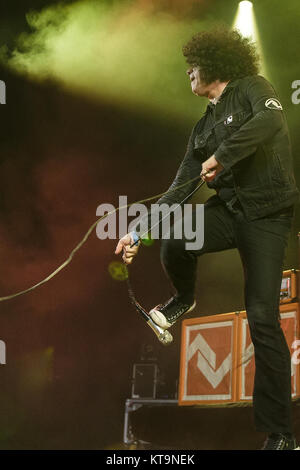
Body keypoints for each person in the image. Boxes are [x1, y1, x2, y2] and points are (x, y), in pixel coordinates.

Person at [115, 28, 299, 450]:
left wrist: (225, 154)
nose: (188, 74)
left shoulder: (253, 88)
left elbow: (271, 120)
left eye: (192, 67)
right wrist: (137, 232)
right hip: (231, 212)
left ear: (214, 63)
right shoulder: (201, 129)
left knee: (262, 318)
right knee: (176, 234)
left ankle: (281, 434)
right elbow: (178, 188)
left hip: (267, 214)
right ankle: (183, 299)